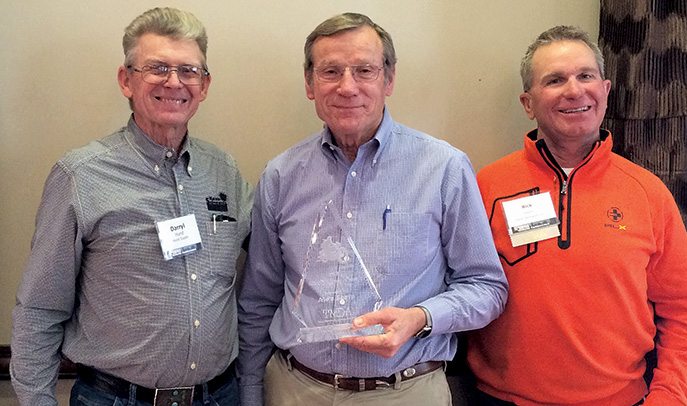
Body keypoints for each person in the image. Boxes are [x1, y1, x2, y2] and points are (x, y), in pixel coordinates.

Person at [237, 12, 508, 406]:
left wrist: (420, 318)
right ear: (310, 84)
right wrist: (249, 393)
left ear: (389, 79)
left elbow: (487, 287)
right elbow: (259, 300)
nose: (348, 87)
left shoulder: (443, 168)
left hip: (407, 391)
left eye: (364, 70)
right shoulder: (280, 175)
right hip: (295, 390)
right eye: (331, 71)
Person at [10, 7, 252, 406]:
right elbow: (39, 307)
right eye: (157, 68)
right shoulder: (81, 177)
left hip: (219, 396)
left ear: (205, 85)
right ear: (126, 80)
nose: (174, 82)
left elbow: (279, 254)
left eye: (189, 71)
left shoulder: (223, 171)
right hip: (114, 398)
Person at [466, 25, 687, 405]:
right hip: (500, 399)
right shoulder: (486, 185)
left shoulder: (647, 193)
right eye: (554, 80)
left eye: (586, 76)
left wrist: (669, 397)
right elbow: (461, 288)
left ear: (606, 90)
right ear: (528, 103)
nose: (574, 90)